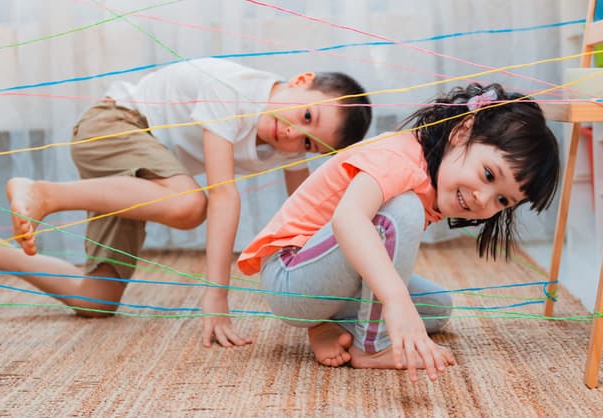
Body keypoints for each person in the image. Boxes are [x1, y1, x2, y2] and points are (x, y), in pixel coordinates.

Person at [0, 58, 372, 349]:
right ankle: (44, 193)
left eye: (309, 144)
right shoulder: (235, 91)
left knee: (96, 300)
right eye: (307, 118)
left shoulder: (288, 148)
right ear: (301, 80)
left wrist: (324, 293)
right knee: (190, 205)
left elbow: (303, 212)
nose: (293, 137)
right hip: (113, 125)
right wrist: (216, 294)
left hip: (140, 180)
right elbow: (224, 194)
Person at [236, 83, 560, 382]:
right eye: (488, 174)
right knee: (403, 211)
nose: (483, 199)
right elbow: (348, 219)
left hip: (321, 281)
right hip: (291, 279)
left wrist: (400, 301)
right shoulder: (400, 156)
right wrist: (394, 299)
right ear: (462, 132)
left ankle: (330, 324)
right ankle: (372, 345)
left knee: (437, 307)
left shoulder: (432, 176)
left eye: (502, 200)